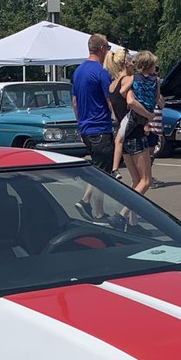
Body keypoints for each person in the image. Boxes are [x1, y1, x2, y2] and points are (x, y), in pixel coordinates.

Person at [70, 33, 116, 223]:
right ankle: (93, 208)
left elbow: (74, 101)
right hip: (100, 128)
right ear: (102, 49)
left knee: (98, 168)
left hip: (86, 129)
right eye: (108, 48)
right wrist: (121, 121)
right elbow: (110, 100)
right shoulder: (101, 72)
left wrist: (80, 123)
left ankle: (92, 206)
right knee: (102, 174)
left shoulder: (78, 71)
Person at [116, 51, 162, 230]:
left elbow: (123, 93)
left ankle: (132, 222)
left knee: (135, 181)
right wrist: (150, 113)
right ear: (150, 66)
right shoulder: (155, 81)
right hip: (139, 125)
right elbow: (155, 99)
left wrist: (132, 89)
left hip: (132, 125)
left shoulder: (133, 79)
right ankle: (122, 214)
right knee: (145, 181)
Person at [105, 48, 132, 179]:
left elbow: (112, 107)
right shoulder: (127, 80)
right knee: (144, 179)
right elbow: (129, 99)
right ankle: (115, 168)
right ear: (126, 63)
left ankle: (115, 168)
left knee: (137, 179)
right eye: (132, 61)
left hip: (121, 123)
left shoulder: (112, 84)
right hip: (132, 130)